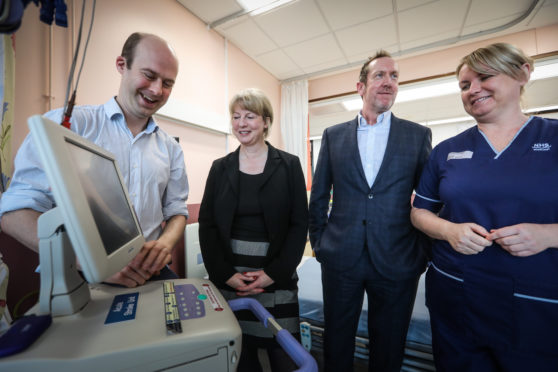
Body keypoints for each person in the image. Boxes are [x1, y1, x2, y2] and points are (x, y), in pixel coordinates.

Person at [411, 42, 558, 371]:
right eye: (464, 85)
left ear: (522, 73)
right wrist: (448, 230)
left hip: (537, 301)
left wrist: (549, 235)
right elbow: (419, 212)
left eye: (484, 77)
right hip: (457, 294)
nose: (472, 90)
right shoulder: (447, 151)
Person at [0, 32, 188, 287]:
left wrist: (164, 244)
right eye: (149, 75)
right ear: (122, 65)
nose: (157, 90)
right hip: (78, 277)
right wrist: (88, 261)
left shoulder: (170, 148)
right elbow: (13, 213)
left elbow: (177, 211)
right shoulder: (68, 125)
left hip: (149, 274)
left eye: (167, 83)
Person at [309, 51, 432, 372]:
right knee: (337, 339)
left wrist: (421, 253)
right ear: (360, 86)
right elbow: (319, 197)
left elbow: (430, 200)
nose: (388, 82)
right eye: (380, 75)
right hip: (340, 257)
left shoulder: (417, 136)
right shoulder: (334, 136)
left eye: (394, 76)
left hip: (397, 258)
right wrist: (321, 246)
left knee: (389, 344)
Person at [198, 88, 308, 372]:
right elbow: (207, 226)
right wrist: (226, 275)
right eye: (236, 117)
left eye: (250, 116)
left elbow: (299, 224)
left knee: (284, 354)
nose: (241, 123)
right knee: (240, 355)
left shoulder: (289, 165)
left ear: (266, 122)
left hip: (277, 275)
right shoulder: (220, 168)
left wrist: (273, 274)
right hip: (229, 277)